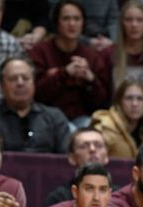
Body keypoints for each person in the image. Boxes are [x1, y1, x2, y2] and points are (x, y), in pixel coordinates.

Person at [28, 0, 109, 128]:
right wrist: (64, 73)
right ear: (57, 23)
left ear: (83, 23)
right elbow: (35, 93)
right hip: (45, 117)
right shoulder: (40, 52)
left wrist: (90, 79)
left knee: (93, 129)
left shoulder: (91, 56)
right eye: (66, 19)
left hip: (81, 117)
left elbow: (101, 102)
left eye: (77, 19)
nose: (72, 24)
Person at [0, 55, 71, 154]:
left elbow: (65, 160)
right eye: (13, 79)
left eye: (25, 78)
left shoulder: (54, 118)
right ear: (2, 86)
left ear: (34, 83)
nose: (20, 83)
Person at [91, 79, 143, 158]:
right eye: (129, 98)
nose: (134, 104)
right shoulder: (105, 127)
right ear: (119, 102)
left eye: (140, 98)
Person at [43, 127, 110, 207]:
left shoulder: (119, 196)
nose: (92, 149)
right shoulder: (58, 199)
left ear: (107, 156)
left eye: (98, 145)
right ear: (72, 158)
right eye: (84, 146)